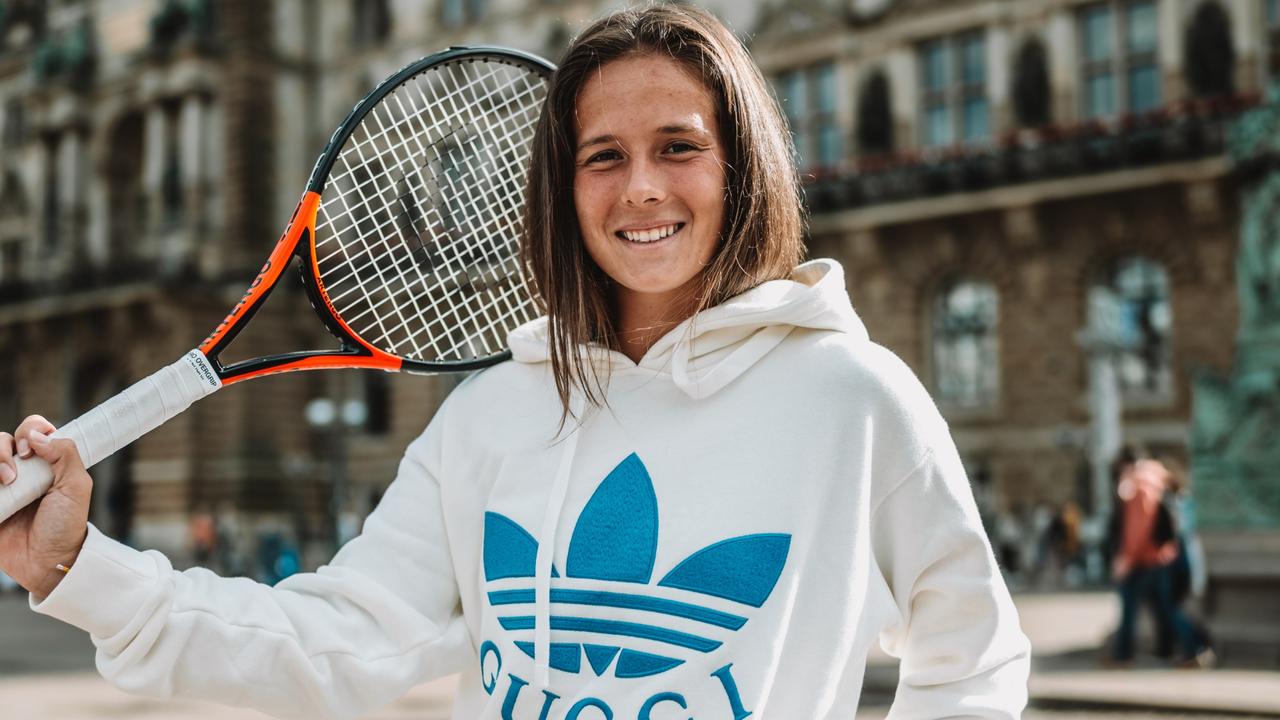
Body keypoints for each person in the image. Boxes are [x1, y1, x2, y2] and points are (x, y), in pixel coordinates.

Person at [0, 5, 1030, 718]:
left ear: (740, 167)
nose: (639, 190)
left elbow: (972, 665)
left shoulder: (853, 398)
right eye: (601, 156)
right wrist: (74, 568)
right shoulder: (491, 414)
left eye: (677, 146)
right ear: (560, 189)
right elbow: (331, 647)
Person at [1110, 455, 1210, 667]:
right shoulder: (1157, 480)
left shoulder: (1139, 486)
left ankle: (1124, 654)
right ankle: (1191, 647)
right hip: (1164, 556)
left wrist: (1126, 560)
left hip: (1147, 559)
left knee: (1142, 607)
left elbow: (1137, 530)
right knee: (1165, 607)